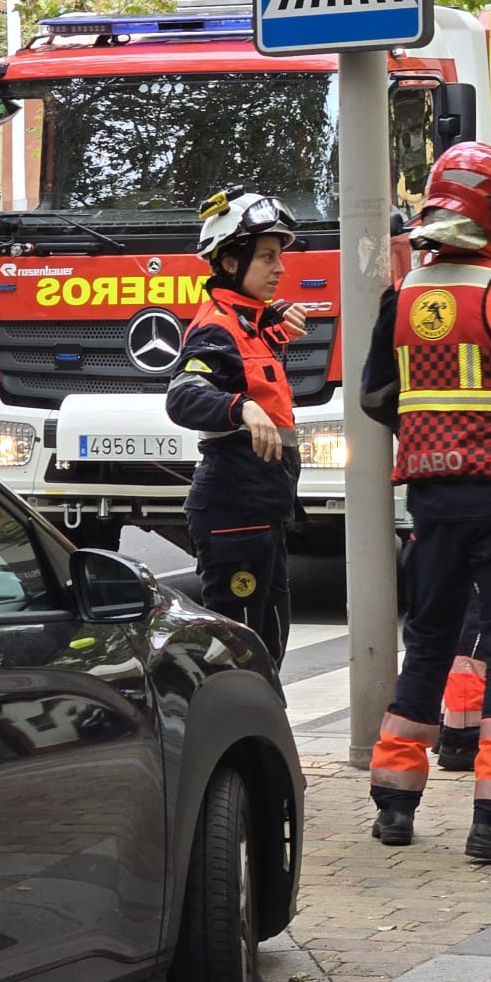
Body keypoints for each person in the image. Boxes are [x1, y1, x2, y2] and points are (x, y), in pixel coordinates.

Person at [360, 142, 491, 862]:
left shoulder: (404, 293)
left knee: (427, 643)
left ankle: (394, 802)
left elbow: (376, 397)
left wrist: (430, 435)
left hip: (430, 505)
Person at [166, 188, 306, 669]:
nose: (279, 268)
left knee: (268, 640)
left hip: (261, 511)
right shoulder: (215, 329)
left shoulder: (247, 321)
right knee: (239, 654)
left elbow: (252, 347)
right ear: (229, 263)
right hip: (234, 511)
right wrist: (241, 408)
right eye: (267, 257)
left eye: (279, 256)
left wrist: (273, 313)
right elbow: (183, 395)